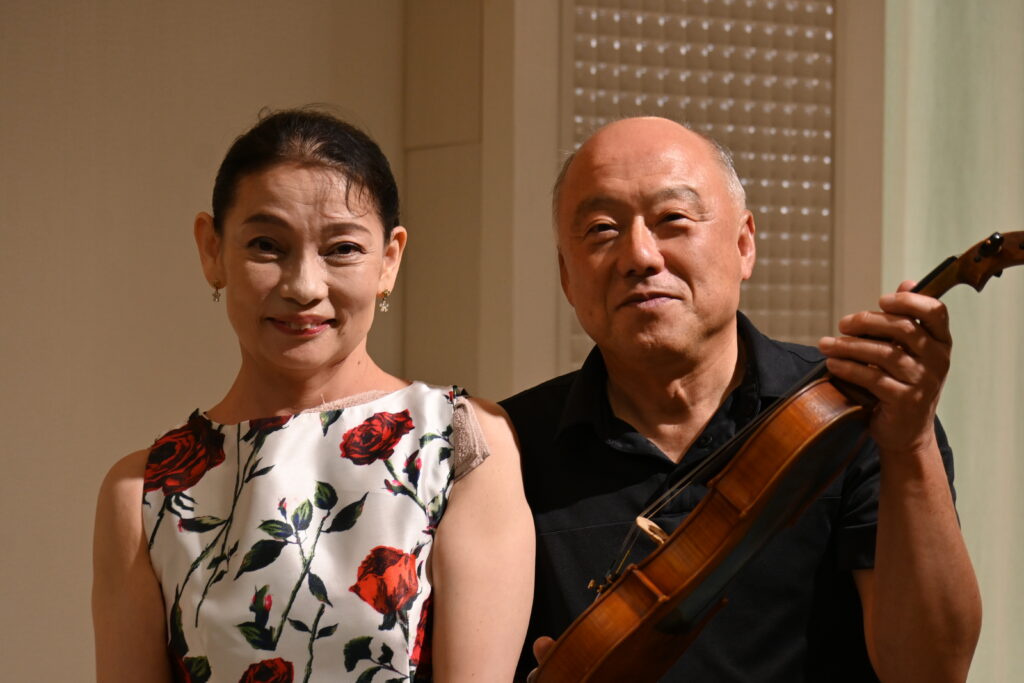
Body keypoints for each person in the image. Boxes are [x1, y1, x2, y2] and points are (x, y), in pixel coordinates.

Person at [501, 116, 982, 682]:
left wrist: (912, 443)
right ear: (566, 275)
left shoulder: (859, 416)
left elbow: (932, 671)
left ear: (744, 244)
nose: (640, 255)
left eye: (673, 219)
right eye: (602, 229)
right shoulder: (507, 449)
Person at [92, 109, 534, 682]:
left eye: (342, 249)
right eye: (266, 245)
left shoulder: (460, 444)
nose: (303, 286)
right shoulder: (144, 492)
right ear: (211, 249)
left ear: (390, 260)